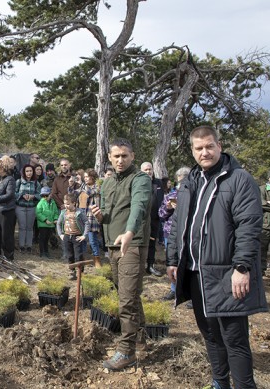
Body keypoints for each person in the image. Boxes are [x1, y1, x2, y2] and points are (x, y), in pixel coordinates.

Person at [167, 125, 267, 388]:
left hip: (226, 274)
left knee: (234, 339)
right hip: (196, 273)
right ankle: (219, 382)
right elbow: (179, 223)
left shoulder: (238, 179)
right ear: (192, 150)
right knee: (210, 334)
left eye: (209, 146)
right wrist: (173, 259)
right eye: (199, 148)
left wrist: (242, 267)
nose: (205, 152)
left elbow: (249, 225)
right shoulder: (190, 182)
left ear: (219, 145)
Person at [89, 138, 152, 371]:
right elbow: (106, 214)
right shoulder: (106, 183)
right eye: (116, 156)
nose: (120, 160)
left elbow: (139, 207)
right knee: (127, 292)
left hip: (132, 244)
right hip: (113, 245)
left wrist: (129, 232)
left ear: (132, 156)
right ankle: (140, 336)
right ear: (109, 157)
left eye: (125, 155)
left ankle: (127, 351)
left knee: (126, 299)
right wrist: (99, 216)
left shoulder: (141, 179)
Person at [158, 166, 190, 301]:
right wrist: (168, 208)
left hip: (189, 233)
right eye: (179, 181)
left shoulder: (195, 194)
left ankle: (191, 293)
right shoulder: (171, 195)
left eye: (184, 181)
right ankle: (174, 288)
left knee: (189, 262)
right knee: (173, 261)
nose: (180, 184)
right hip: (170, 233)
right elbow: (160, 214)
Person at [57, 193, 89, 279]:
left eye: (68, 204)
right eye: (65, 204)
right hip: (67, 236)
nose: (66, 206)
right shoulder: (63, 212)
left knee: (78, 255)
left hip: (77, 237)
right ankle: (72, 272)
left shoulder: (79, 212)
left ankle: (80, 271)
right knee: (69, 255)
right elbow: (59, 224)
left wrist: (84, 235)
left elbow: (86, 223)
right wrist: (61, 234)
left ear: (74, 203)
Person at [140, 162, 164, 277]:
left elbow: (161, 199)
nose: (148, 171)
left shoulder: (158, 182)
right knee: (140, 242)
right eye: (145, 170)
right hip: (142, 219)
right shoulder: (138, 183)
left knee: (152, 243)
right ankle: (139, 266)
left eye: (150, 169)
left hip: (155, 219)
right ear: (141, 171)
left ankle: (150, 266)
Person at [74, 169, 102, 267]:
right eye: (84, 177)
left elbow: (90, 192)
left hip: (91, 215)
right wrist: (72, 184)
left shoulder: (97, 187)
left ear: (92, 177)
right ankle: (84, 259)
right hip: (81, 214)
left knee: (92, 239)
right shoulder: (82, 186)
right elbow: (74, 193)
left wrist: (82, 186)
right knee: (82, 239)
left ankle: (97, 259)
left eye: (87, 177)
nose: (85, 179)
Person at [15, 164, 41, 253]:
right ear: (24, 172)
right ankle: (22, 246)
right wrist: (22, 195)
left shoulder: (36, 182)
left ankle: (29, 246)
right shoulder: (19, 182)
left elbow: (40, 195)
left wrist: (33, 196)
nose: (29, 173)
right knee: (22, 227)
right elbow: (14, 193)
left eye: (30, 171)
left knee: (30, 227)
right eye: (27, 171)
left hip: (31, 207)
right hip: (20, 206)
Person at [36, 186, 59, 258]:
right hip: (43, 225)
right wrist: (45, 220)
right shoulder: (41, 203)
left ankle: (46, 252)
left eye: (46, 195)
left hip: (50, 225)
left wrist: (55, 219)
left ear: (50, 194)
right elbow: (38, 213)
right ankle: (42, 253)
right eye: (43, 196)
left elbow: (55, 212)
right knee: (42, 239)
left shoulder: (53, 203)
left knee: (47, 239)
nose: (45, 197)